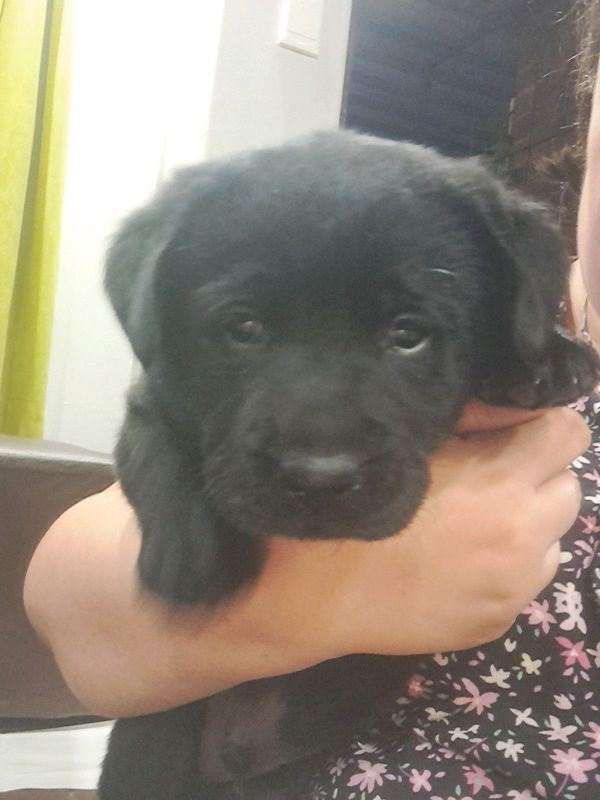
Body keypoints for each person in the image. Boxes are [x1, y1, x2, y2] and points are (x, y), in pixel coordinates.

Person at [23, 8, 597, 800]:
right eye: (245, 326)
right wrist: (184, 539)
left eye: (406, 332)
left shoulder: (511, 329)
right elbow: (146, 426)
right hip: (175, 749)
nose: (322, 451)